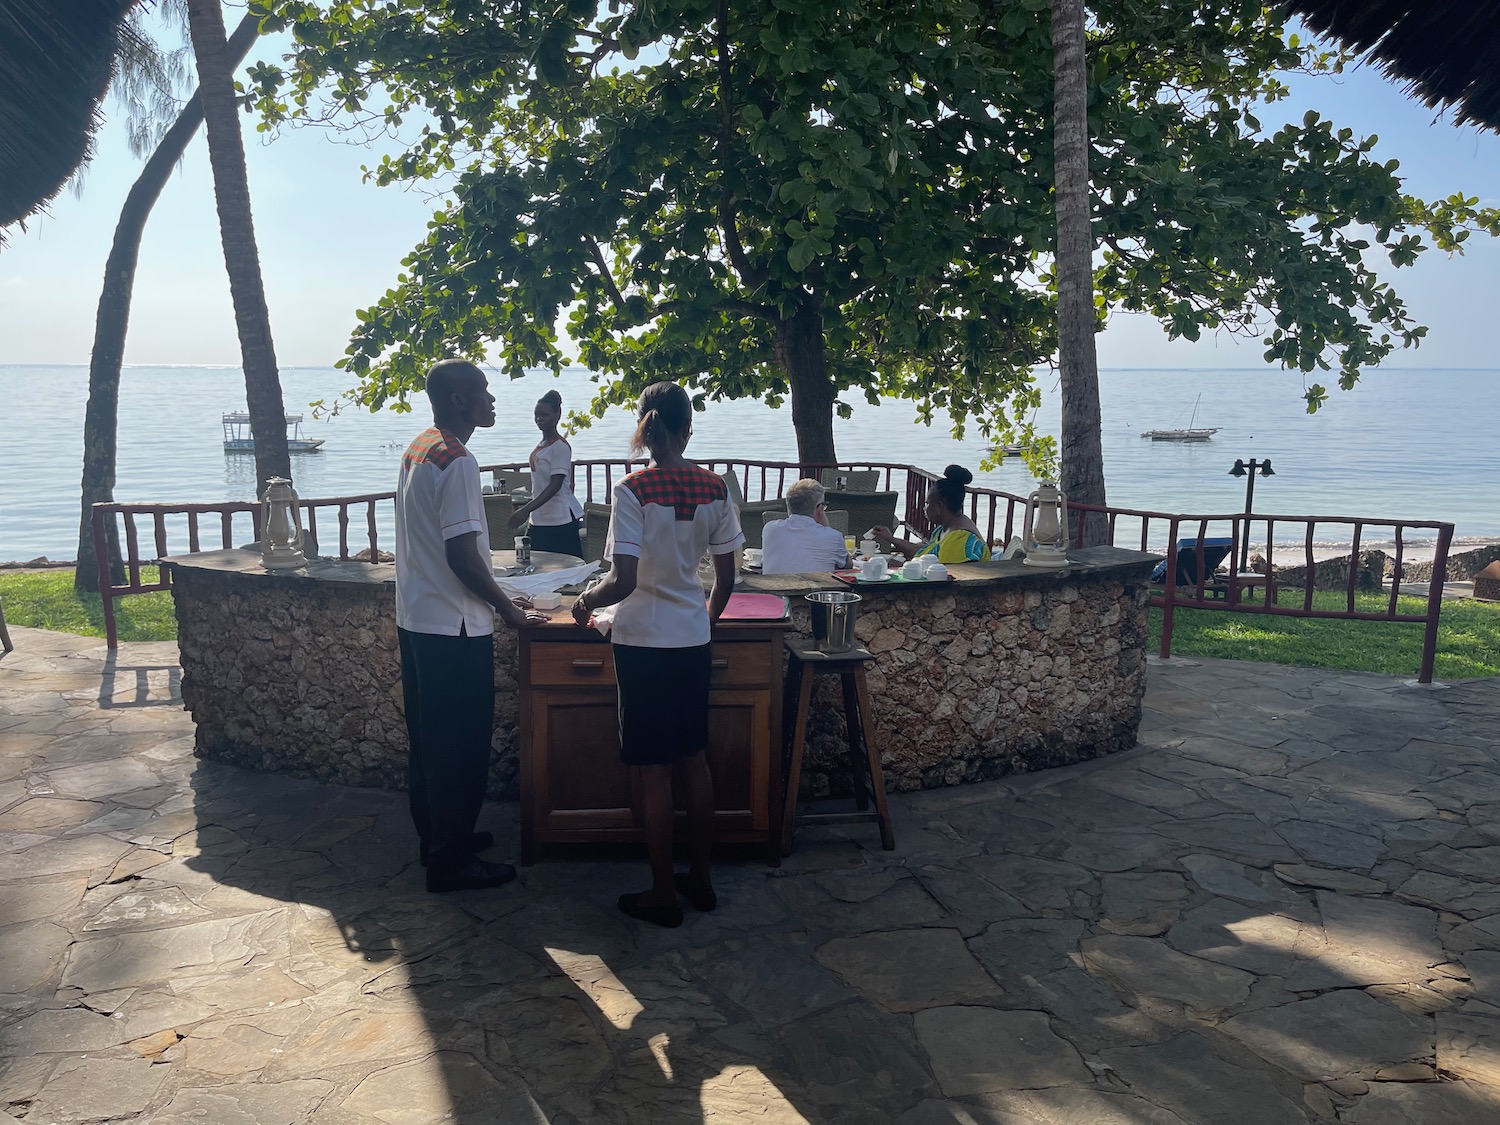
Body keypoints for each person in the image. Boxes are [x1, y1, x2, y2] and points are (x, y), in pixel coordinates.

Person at [570, 381, 743, 928]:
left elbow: (621, 581)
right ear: (688, 429)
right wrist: (701, 621)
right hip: (691, 640)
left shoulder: (632, 490)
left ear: (644, 429)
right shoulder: (715, 488)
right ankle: (702, 881)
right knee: (694, 759)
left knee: (651, 770)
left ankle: (663, 892)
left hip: (643, 642)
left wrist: (582, 602)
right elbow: (728, 577)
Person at [395, 359, 546, 894]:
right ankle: (450, 861)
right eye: (482, 390)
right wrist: (508, 608)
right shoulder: (457, 460)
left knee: (429, 741)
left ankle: (438, 838)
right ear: (459, 400)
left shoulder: (420, 448)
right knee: (459, 746)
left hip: (417, 618)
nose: (491, 398)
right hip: (454, 627)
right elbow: (462, 555)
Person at [508, 388, 584, 557]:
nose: (539, 419)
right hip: (540, 516)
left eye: (545, 415)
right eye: (537, 415)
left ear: (558, 415)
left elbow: (555, 485)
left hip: (560, 517)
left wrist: (525, 509)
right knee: (533, 561)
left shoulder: (560, 447)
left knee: (566, 564)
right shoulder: (543, 444)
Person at [871, 464, 987, 564]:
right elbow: (923, 552)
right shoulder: (943, 529)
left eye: (927, 503)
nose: (924, 508)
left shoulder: (959, 539)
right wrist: (890, 538)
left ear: (939, 506)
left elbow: (944, 577)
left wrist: (903, 566)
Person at [761, 478, 849, 574]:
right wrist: (826, 528)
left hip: (774, 588)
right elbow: (847, 566)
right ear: (820, 508)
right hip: (818, 589)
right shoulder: (834, 537)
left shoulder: (769, 529)